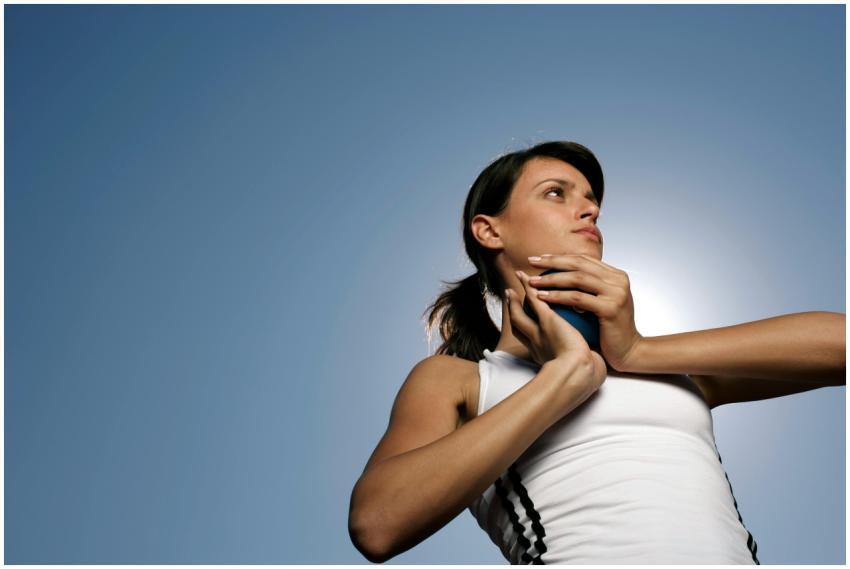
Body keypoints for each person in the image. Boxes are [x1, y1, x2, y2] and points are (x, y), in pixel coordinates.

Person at [347, 141, 837, 564]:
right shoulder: (460, 379)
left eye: (591, 200)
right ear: (490, 231)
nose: (589, 210)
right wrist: (565, 376)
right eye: (555, 193)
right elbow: (378, 525)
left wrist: (637, 351)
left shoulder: (669, 368)